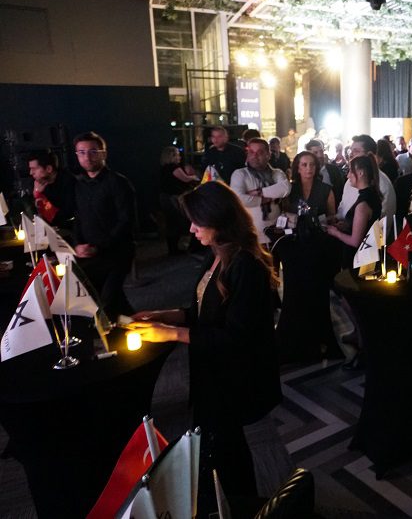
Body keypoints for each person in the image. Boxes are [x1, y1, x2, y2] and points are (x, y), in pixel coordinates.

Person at [129, 181, 282, 511]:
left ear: (218, 220)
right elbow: (203, 310)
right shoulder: (217, 256)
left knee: (227, 454)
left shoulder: (246, 267)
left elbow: (235, 339)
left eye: (196, 222)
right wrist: (166, 315)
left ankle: (245, 508)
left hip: (232, 378)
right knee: (221, 450)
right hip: (212, 374)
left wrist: (171, 334)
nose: (191, 229)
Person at [73, 131, 136, 317]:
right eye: (81, 152)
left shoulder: (118, 182)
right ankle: (138, 326)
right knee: (109, 300)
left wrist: (99, 246)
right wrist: (77, 244)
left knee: (107, 301)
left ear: (104, 153)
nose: (87, 157)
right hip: (90, 254)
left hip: (117, 253)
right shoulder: (79, 184)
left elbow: (126, 221)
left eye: (93, 151)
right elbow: (78, 217)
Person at [326, 155, 382, 269]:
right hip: (369, 256)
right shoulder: (372, 194)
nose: (348, 176)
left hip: (357, 261)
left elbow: (355, 241)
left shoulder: (363, 204)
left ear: (360, 173)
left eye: (351, 171)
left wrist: (335, 232)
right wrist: (346, 225)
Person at [229, 138, 290, 243]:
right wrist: (265, 199)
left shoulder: (277, 173)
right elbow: (238, 199)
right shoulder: (240, 174)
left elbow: (286, 188)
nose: (255, 155)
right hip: (250, 236)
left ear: (268, 155)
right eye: (251, 152)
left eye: (260, 152)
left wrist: (259, 192)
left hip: (275, 234)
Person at [336, 134, 396, 223]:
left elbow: (381, 221)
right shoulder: (351, 180)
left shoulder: (381, 183)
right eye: (350, 151)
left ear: (369, 155)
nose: (351, 155)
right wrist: (335, 220)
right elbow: (342, 209)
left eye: (356, 151)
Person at [159, 146, 199, 255]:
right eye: (177, 154)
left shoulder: (164, 168)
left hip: (165, 197)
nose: (180, 157)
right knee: (177, 222)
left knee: (171, 222)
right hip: (173, 198)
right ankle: (177, 248)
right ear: (172, 156)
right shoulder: (174, 167)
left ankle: (172, 248)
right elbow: (185, 179)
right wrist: (194, 177)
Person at [27, 149, 76, 228]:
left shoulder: (68, 182)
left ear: (49, 169)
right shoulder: (36, 182)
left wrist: (39, 196)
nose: (31, 173)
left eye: (34, 169)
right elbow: (32, 215)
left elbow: (62, 217)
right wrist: (36, 195)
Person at [284, 150, 335, 219]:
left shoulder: (326, 190)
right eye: (304, 165)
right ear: (298, 168)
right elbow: (285, 213)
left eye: (312, 164)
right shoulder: (290, 189)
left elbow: (332, 216)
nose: (309, 168)